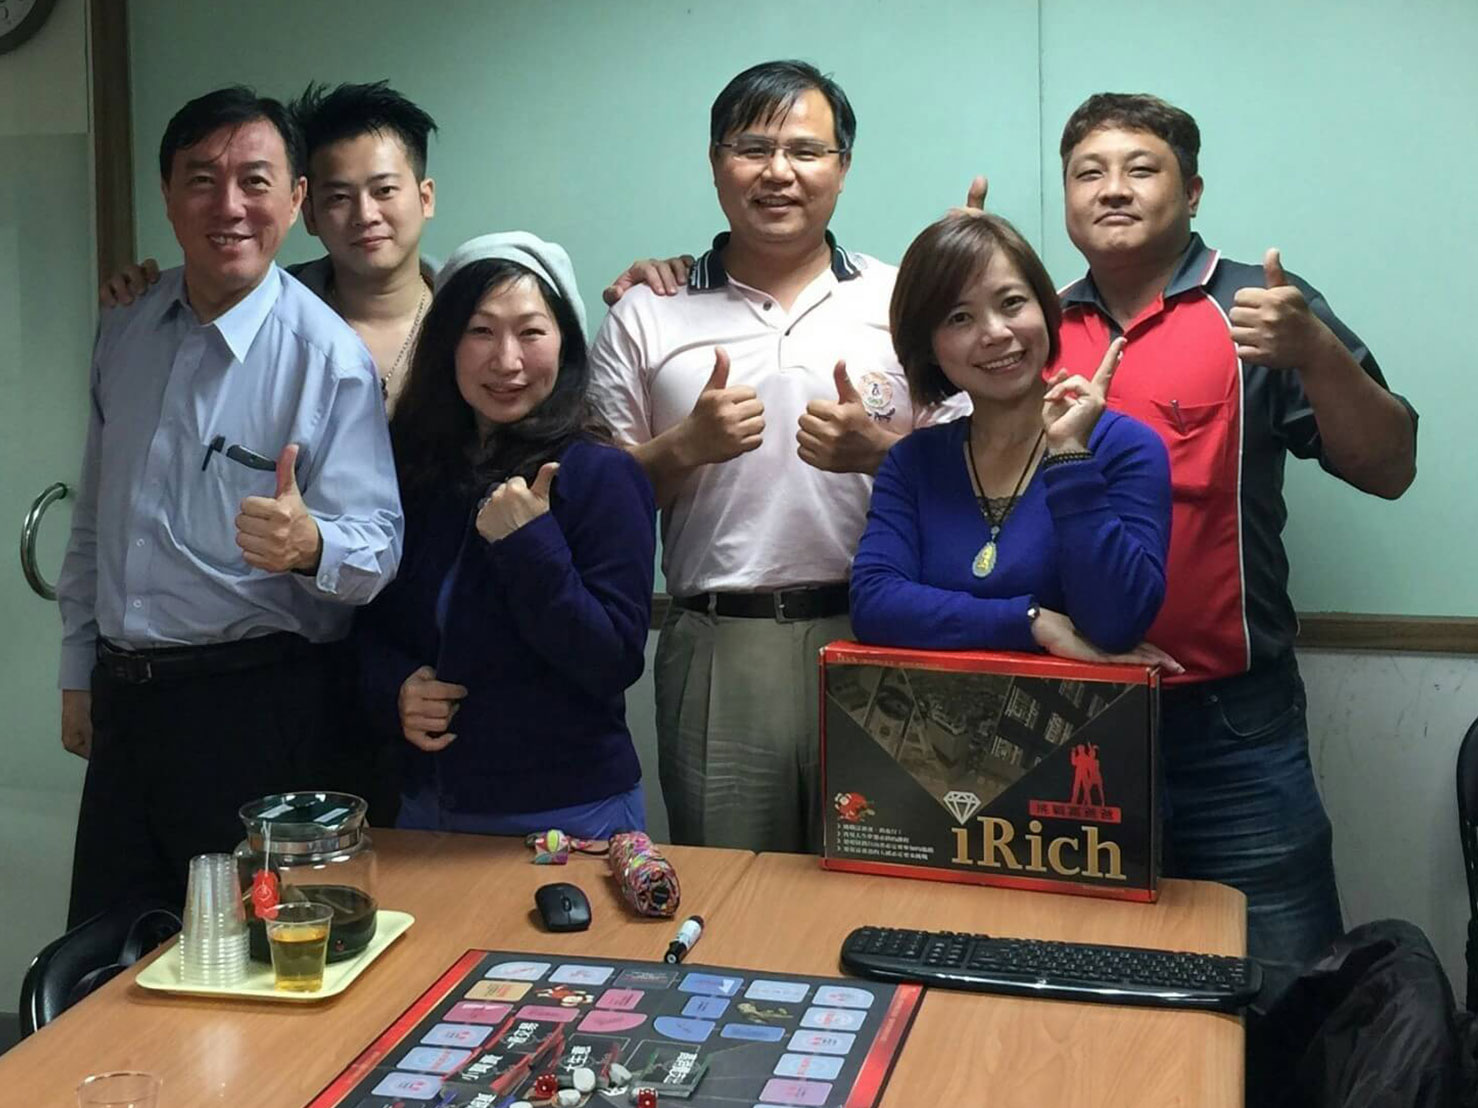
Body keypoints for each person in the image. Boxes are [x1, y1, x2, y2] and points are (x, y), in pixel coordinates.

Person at [970, 93, 1418, 983]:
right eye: (1089, 173)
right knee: (1077, 989)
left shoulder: (1262, 308)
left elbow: (1390, 467)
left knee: (1284, 992)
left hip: (1234, 726)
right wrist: (957, 279)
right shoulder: (1030, 325)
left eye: (1141, 169)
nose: (1113, 189)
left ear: (1194, 190)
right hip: (1065, 719)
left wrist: (1315, 351)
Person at [589, 59, 967, 854]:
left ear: (843, 167)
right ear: (715, 162)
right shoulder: (647, 312)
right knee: (734, 889)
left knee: (884, 877)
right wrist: (683, 448)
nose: (778, 172)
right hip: (721, 644)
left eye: (805, 151)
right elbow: (594, 512)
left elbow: (980, 480)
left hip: (879, 633)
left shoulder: (902, 301)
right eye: (752, 148)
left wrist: (881, 454)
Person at [56, 86, 403, 925]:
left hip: (256, 712)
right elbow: (96, 518)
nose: (230, 206)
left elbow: (380, 544)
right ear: (167, 194)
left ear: (295, 199)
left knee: (251, 961)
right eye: (202, 180)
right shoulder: (127, 326)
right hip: (125, 701)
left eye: (255, 180)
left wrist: (311, 544)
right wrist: (77, 671)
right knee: (107, 955)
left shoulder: (327, 357)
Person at [100, 80, 693, 410]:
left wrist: (660, 277)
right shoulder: (264, 316)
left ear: (425, 197)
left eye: (385, 190)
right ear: (307, 210)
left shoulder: (480, 315)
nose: (366, 215)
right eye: (338, 197)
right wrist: (147, 290)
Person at [353, 233, 655, 838]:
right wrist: (396, 689)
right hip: (427, 806)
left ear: (565, 340)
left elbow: (611, 660)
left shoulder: (602, 474)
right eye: (481, 332)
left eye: (531, 332)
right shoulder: (412, 468)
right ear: (447, 343)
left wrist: (529, 545)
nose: (507, 360)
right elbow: (365, 623)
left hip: (569, 811)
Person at [850, 210, 1175, 670]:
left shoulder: (1126, 447)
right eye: (960, 318)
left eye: (1012, 303)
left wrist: (1069, 457)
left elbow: (1116, 624)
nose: (996, 333)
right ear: (929, 346)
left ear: (1045, 308)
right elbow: (874, 604)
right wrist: (1030, 622)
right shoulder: (913, 461)